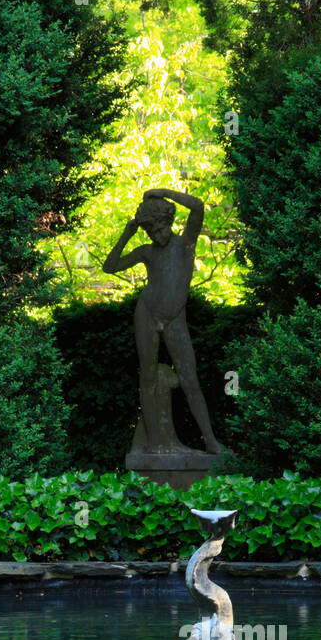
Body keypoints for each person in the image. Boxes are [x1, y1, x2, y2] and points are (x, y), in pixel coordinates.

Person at [102, 188, 221, 454]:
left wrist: (162, 192)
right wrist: (127, 234)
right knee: (147, 376)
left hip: (175, 318)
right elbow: (109, 267)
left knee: (190, 379)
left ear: (169, 222)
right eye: (151, 233)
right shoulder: (147, 252)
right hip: (147, 314)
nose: (157, 236)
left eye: (160, 229)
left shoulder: (186, 243)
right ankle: (155, 442)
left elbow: (198, 206)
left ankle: (211, 442)